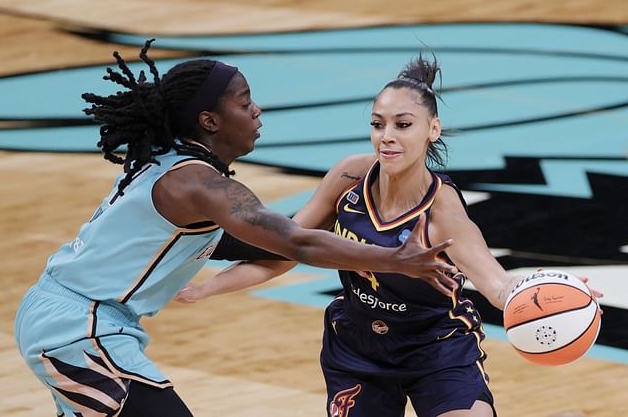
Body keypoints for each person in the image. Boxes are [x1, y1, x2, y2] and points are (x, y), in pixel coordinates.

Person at [13, 41, 459, 417]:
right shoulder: (199, 185)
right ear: (210, 121)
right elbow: (294, 240)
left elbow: (256, 241)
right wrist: (394, 259)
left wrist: (319, 221)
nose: (257, 111)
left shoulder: (168, 163)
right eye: (244, 103)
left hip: (64, 317)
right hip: (80, 330)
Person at [174, 54, 600, 417]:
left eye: (403, 124)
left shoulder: (444, 211)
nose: (387, 137)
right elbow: (289, 246)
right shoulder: (349, 175)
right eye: (378, 124)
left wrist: (547, 288)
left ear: (432, 130)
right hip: (357, 349)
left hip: (435, 347)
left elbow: (496, 283)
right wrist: (206, 289)